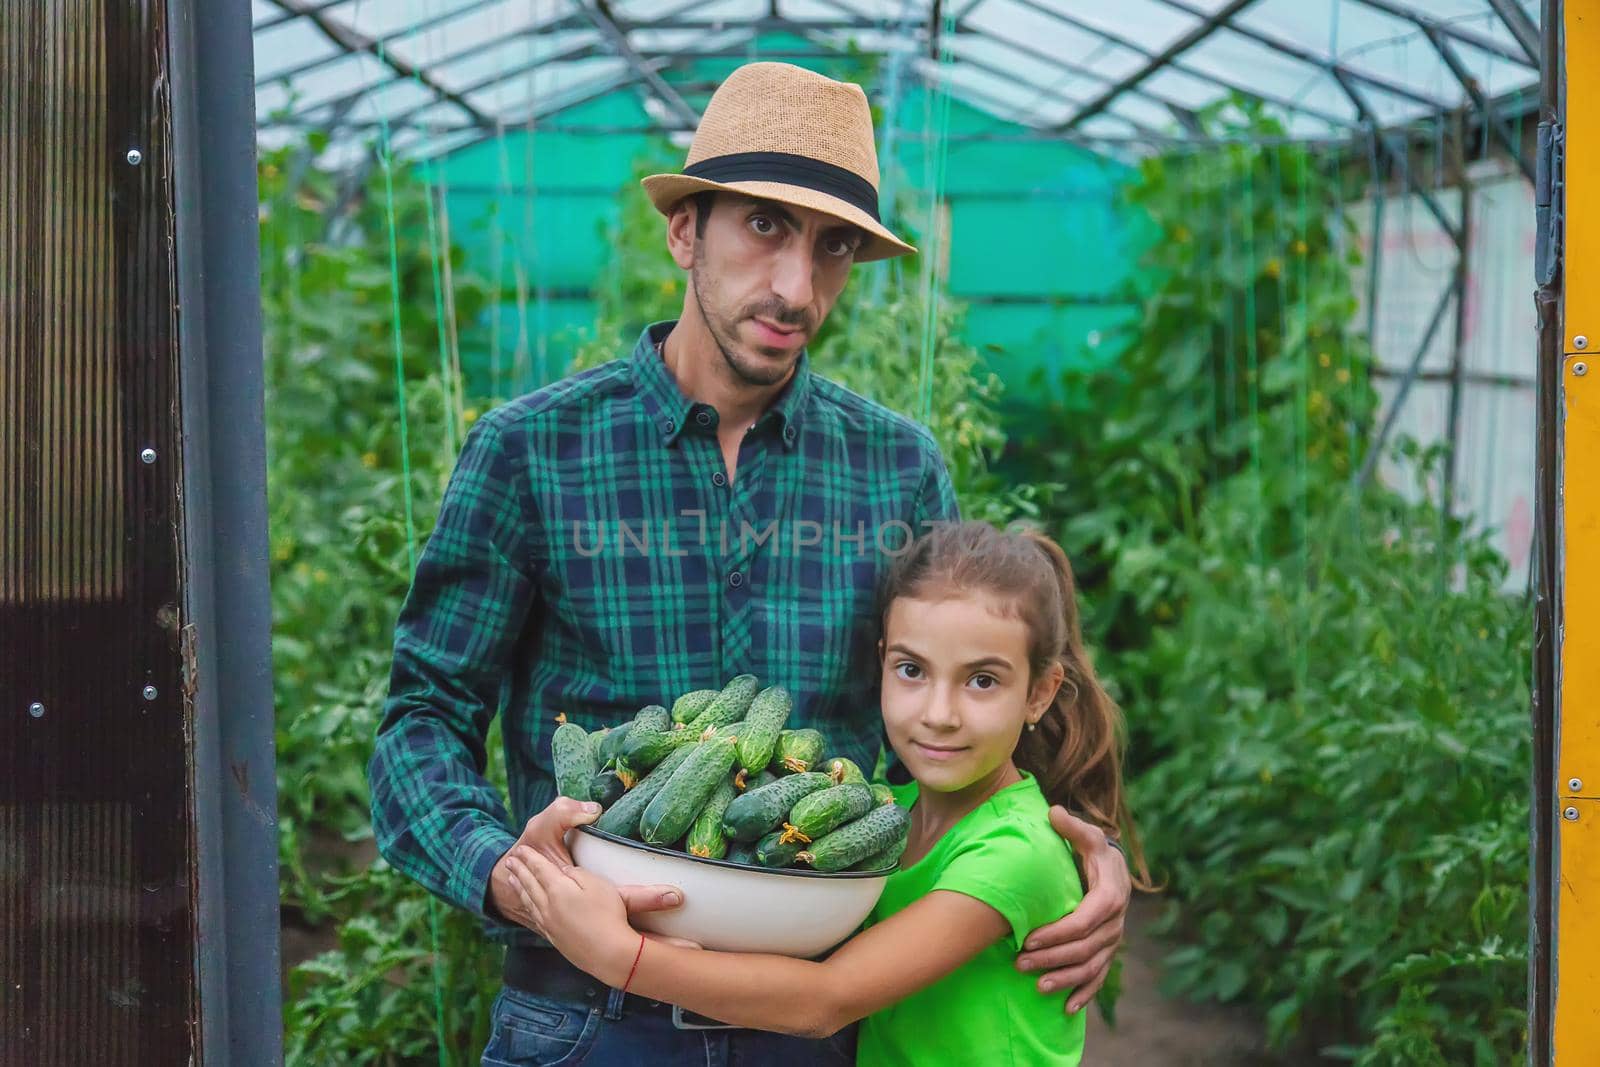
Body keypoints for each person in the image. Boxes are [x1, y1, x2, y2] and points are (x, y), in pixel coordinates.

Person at [367, 61, 1133, 1066]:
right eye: (763, 226)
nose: (796, 286)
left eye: (834, 247)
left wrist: (1081, 855)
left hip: (813, 1028)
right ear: (686, 231)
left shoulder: (896, 468)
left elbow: (958, 718)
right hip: (584, 1019)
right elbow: (420, 719)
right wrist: (508, 873)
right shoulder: (531, 451)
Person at [503, 522, 1151, 1066]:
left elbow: (826, 999)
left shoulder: (1015, 851)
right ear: (880, 662)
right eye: (912, 670)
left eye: (982, 680)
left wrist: (621, 955)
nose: (940, 712)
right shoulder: (883, 810)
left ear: (1039, 692)